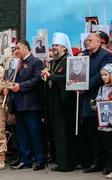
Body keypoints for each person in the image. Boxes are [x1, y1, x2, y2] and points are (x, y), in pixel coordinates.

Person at [4, 40, 45, 171]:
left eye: (18, 48)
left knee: (35, 133)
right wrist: (8, 87)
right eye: (15, 49)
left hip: (31, 104)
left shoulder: (35, 62)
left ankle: (40, 159)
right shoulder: (15, 63)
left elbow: (37, 79)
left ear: (26, 48)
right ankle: (25, 159)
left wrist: (20, 86)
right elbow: (10, 80)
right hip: (18, 104)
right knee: (21, 134)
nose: (16, 51)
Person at [41, 32, 78, 172]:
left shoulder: (69, 60)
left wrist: (52, 76)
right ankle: (60, 162)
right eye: (53, 45)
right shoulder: (52, 63)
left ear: (65, 47)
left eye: (57, 45)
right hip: (53, 103)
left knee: (65, 134)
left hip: (65, 103)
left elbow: (68, 79)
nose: (54, 47)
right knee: (56, 134)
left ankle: (67, 164)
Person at [79, 33, 112, 174]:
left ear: (99, 42)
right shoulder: (83, 55)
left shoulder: (106, 55)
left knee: (103, 133)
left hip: (100, 97)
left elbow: (102, 75)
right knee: (91, 133)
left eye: (90, 40)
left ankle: (107, 162)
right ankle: (95, 161)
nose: (87, 42)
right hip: (85, 98)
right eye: (86, 40)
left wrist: (85, 86)